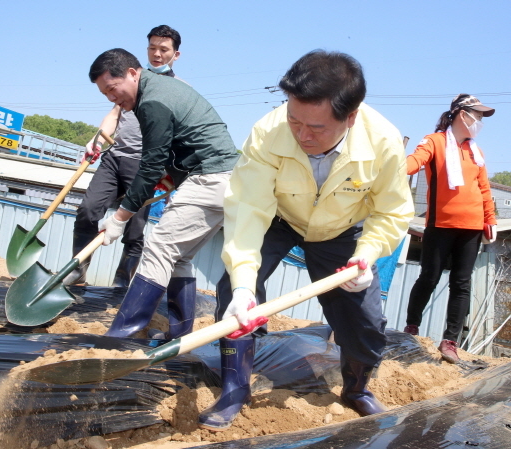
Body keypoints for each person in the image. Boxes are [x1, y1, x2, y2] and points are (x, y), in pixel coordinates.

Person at [198, 50, 414, 431]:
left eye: (316, 128)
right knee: (234, 288)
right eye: (294, 120)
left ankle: (357, 388)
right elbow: (248, 209)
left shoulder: (384, 141)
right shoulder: (268, 131)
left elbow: (392, 211)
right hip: (279, 218)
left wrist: (366, 255)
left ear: (351, 116)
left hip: (342, 229)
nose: (302, 135)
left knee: (364, 318)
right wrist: (246, 286)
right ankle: (234, 388)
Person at [88, 48, 239, 340]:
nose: (111, 98)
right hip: (224, 178)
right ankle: (178, 336)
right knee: (177, 256)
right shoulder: (156, 91)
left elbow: (150, 164)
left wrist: (119, 218)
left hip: (210, 177)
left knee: (158, 247)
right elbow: (175, 149)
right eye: (105, 93)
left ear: (132, 73)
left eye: (112, 88)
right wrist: (171, 179)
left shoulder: (153, 101)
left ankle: (122, 336)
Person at [64, 25, 182, 288]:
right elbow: (113, 116)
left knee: (134, 227)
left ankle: (122, 281)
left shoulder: (176, 89)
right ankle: (77, 271)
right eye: (152, 48)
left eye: (164, 49)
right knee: (87, 210)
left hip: (145, 166)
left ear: (176, 55)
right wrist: (96, 139)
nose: (157, 54)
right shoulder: (130, 81)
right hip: (115, 157)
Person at [404, 94, 497, 364]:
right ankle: (411, 327)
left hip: (472, 227)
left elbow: (484, 188)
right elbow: (416, 161)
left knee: (461, 283)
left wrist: (489, 220)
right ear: (459, 113)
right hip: (440, 224)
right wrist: (397, 167)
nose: (478, 121)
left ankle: (450, 341)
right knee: (429, 277)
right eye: (476, 114)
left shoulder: (475, 151)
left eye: (481, 117)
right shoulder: (435, 141)